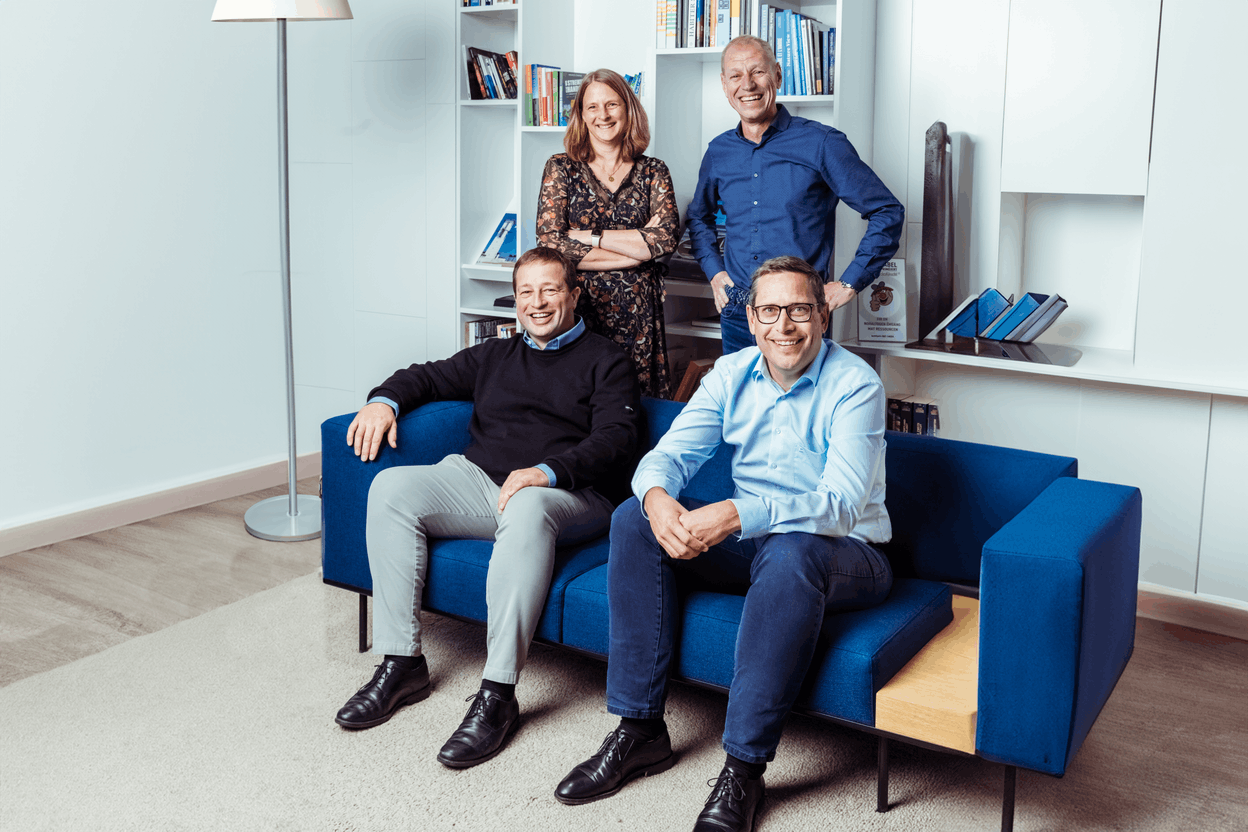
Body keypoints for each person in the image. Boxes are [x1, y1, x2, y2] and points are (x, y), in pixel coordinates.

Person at [555, 257, 893, 832]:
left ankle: (743, 768)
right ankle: (639, 731)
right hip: (756, 545)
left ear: (823, 316)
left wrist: (737, 513)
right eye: (769, 310)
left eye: (798, 310)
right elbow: (667, 456)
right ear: (752, 318)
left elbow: (838, 506)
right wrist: (658, 498)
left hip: (846, 552)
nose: (783, 325)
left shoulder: (856, 385)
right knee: (634, 521)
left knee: (792, 551)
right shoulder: (730, 373)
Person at [335, 247, 640, 771]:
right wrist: (383, 401)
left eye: (549, 290)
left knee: (524, 507)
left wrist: (545, 471)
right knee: (390, 488)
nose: (537, 303)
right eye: (526, 292)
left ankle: (497, 695)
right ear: (515, 299)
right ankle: (402, 662)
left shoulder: (606, 359)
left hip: (570, 494)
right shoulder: (494, 355)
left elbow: (618, 436)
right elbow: (425, 377)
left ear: (574, 294)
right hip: (479, 483)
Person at [688, 35, 905, 355]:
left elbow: (887, 211)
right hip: (738, 312)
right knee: (743, 405)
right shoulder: (719, 151)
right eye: (735, 75)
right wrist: (714, 270)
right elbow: (698, 216)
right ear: (724, 84)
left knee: (801, 404)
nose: (747, 85)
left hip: (799, 314)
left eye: (757, 72)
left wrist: (849, 283)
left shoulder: (822, 143)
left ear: (777, 74)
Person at [537, 68, 680, 399]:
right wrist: (633, 256)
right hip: (580, 313)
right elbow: (551, 243)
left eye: (612, 104)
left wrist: (591, 236)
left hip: (641, 319)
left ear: (628, 109)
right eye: (592, 107)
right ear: (582, 116)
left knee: (638, 413)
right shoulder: (561, 168)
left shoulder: (653, 171)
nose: (603, 115)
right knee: (580, 406)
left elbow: (664, 240)